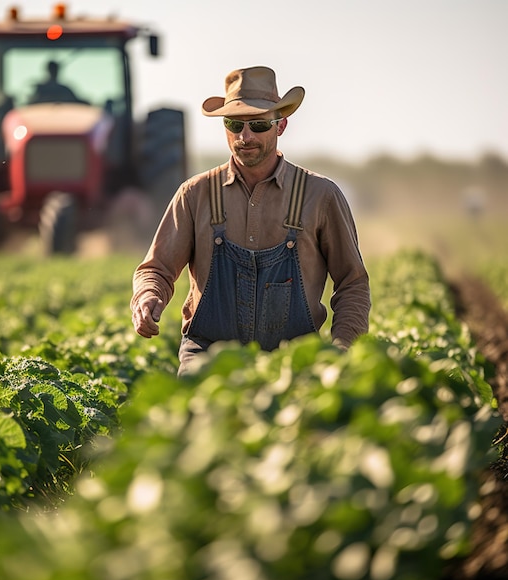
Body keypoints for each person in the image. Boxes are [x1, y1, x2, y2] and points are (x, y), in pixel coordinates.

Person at [131, 66, 371, 376]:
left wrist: (342, 350)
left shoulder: (321, 195)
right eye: (234, 125)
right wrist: (148, 296)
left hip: (295, 363)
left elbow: (352, 284)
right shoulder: (195, 194)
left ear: (280, 125)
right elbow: (156, 269)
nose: (245, 137)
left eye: (258, 125)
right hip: (207, 358)